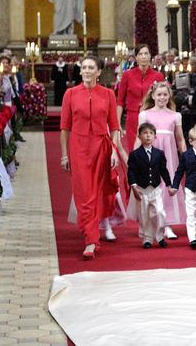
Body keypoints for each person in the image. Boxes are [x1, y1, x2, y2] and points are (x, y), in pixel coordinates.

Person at [60, 55, 121, 260]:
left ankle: (91, 237)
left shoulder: (108, 94)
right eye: (83, 67)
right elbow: (64, 128)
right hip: (78, 148)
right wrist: (64, 155)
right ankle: (91, 239)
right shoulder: (70, 93)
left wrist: (114, 151)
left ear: (98, 72)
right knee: (84, 195)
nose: (86, 71)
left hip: (101, 148)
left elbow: (114, 126)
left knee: (97, 194)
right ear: (80, 71)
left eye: (90, 67)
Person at [135, 82, 187, 240]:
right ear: (153, 96)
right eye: (159, 94)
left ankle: (167, 225)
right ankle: (152, 225)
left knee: (168, 188)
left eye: (165, 94)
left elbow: (180, 139)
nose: (162, 97)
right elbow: (140, 137)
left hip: (169, 158)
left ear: (169, 96)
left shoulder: (175, 115)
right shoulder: (145, 114)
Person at [127, 123, 171, 249]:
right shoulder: (135, 154)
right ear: (139, 136)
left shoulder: (159, 154)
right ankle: (147, 239)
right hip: (142, 189)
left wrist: (169, 184)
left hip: (156, 189)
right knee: (145, 215)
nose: (148, 136)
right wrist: (134, 186)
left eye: (151, 133)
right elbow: (131, 172)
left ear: (154, 137)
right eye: (145, 133)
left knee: (159, 212)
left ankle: (160, 236)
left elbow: (163, 170)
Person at [116, 44, 165, 152]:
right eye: (140, 54)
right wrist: (117, 121)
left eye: (146, 53)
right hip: (133, 117)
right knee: (134, 152)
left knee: (152, 151)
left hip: (152, 116)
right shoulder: (127, 75)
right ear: (136, 57)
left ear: (150, 56)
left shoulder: (158, 76)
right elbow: (120, 101)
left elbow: (164, 99)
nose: (143, 56)